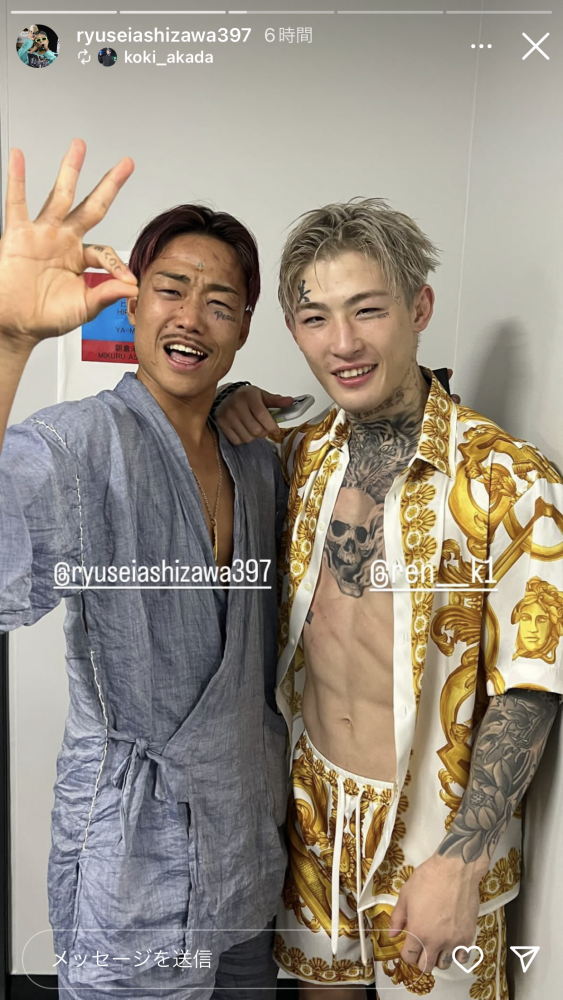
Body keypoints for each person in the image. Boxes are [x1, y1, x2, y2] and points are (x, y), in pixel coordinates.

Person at [214, 198, 563, 998]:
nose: (342, 343)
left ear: (419, 307)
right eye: (315, 318)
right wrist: (230, 393)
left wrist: (462, 860)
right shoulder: (298, 455)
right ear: (293, 328)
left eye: (367, 309)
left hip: (436, 835)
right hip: (311, 813)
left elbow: (531, 682)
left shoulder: (506, 477)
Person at [0, 139, 293, 999]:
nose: (191, 318)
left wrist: (248, 404)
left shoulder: (258, 458)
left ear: (244, 329)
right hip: (133, 851)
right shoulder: (81, 444)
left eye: (220, 303)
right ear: (130, 302)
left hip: (245, 834)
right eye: (171, 289)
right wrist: (9, 341)